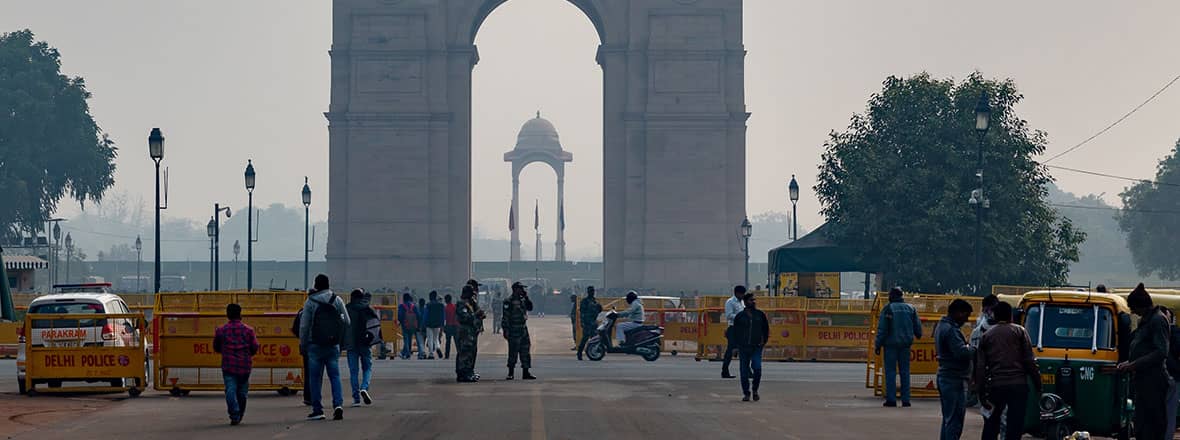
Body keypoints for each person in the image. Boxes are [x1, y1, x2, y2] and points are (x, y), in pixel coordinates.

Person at [974, 301, 1040, 440]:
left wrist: (980, 393)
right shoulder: (1020, 331)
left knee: (992, 423)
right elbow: (1029, 361)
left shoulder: (986, 335)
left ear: (995, 316)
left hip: (995, 385)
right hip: (1018, 386)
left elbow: (980, 368)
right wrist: (1038, 384)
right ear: (1011, 315)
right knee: (1015, 425)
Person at [1117, 283, 1172, 440]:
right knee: (1141, 424)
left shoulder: (1158, 320)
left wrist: (1133, 365)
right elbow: (1144, 349)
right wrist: (1128, 362)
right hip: (1143, 380)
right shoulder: (1147, 320)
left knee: (1153, 425)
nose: (1133, 312)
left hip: (1154, 381)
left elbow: (1161, 352)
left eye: (1134, 308)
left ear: (1143, 305)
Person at [299, 274, 351, 421]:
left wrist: (303, 345)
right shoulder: (337, 299)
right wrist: (337, 334)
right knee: (335, 376)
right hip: (332, 344)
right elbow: (347, 321)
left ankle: (318, 410)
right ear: (328, 284)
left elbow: (304, 326)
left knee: (315, 379)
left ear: (316, 285)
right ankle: (338, 405)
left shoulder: (310, 302)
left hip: (314, 344)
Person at [874, 287, 922, 407]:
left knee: (890, 372)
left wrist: (878, 344)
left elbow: (882, 329)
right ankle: (906, 400)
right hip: (905, 344)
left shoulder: (888, 309)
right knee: (905, 372)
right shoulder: (911, 309)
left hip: (890, 345)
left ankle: (892, 399)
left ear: (892, 296)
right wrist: (918, 334)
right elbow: (918, 328)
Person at [934, 299, 975, 440]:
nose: (966, 319)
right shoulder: (951, 330)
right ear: (958, 313)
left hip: (946, 376)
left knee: (948, 419)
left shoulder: (941, 326)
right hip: (954, 379)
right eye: (966, 315)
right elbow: (961, 353)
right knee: (955, 421)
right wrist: (973, 348)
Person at [214, 303, 259, 425]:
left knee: (230, 390)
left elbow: (216, 347)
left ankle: (234, 413)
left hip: (228, 365)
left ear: (227, 315)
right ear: (240, 314)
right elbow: (255, 347)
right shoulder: (249, 330)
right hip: (245, 365)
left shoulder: (220, 331)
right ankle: (240, 413)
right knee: (242, 392)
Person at [731, 293, 768, 402]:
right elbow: (735, 332)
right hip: (743, 347)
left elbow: (765, 329)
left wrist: (763, 341)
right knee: (744, 371)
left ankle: (755, 389)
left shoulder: (760, 315)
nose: (754, 302)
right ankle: (746, 393)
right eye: (751, 300)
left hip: (756, 347)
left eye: (754, 300)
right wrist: (734, 347)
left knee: (757, 368)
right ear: (746, 302)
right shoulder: (740, 316)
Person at [345, 289, 377, 407]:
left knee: (353, 372)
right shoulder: (367, 308)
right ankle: (364, 387)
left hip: (351, 344)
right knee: (367, 368)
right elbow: (375, 323)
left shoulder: (347, 308)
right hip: (365, 342)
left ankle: (356, 399)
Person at [502, 282, 536, 380]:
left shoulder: (523, 300)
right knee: (513, 351)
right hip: (513, 329)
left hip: (523, 329)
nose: (522, 290)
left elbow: (530, 308)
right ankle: (510, 372)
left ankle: (526, 372)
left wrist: (526, 297)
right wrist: (505, 329)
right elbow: (505, 317)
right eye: (520, 288)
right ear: (515, 289)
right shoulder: (508, 301)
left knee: (525, 350)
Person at [455, 284, 487, 382]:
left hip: (471, 332)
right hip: (465, 332)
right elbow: (464, 317)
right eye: (471, 294)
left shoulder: (471, 303)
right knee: (465, 353)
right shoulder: (462, 304)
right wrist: (475, 315)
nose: (473, 296)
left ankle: (469, 372)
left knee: (471, 353)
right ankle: (463, 374)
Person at [1161, 306, 1180, 436]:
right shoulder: (1175, 332)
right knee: (1170, 411)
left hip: (1158, 376)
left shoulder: (1152, 329)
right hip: (1173, 376)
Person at [722, 286, 747, 378]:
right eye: (742, 294)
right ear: (737, 293)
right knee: (730, 351)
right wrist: (740, 316)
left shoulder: (742, 302)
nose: (743, 295)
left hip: (742, 329)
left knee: (744, 350)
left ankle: (747, 371)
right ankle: (724, 371)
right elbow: (729, 315)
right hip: (733, 328)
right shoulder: (730, 302)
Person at [576, 286, 603, 360]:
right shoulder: (585, 301)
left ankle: (594, 353)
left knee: (594, 339)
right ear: (588, 292)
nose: (592, 292)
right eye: (591, 291)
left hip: (593, 322)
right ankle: (579, 353)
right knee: (585, 338)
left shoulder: (595, 301)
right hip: (587, 322)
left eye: (593, 291)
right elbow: (582, 313)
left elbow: (600, 309)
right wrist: (582, 322)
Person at [397, 294, 418, 360]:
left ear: (404, 299)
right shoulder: (413, 306)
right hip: (412, 325)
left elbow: (400, 315)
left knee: (406, 339)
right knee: (410, 338)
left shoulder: (401, 306)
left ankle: (407, 353)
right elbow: (418, 314)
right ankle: (406, 353)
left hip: (405, 324)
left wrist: (400, 322)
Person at [426, 291, 445, 359]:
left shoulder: (428, 305)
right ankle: (438, 347)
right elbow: (443, 316)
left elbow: (426, 315)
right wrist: (442, 324)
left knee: (430, 339)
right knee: (436, 338)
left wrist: (424, 323)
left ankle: (431, 354)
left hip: (429, 324)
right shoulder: (441, 305)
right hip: (437, 324)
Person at [443, 294, 459, 360]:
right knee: (457, 341)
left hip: (448, 325)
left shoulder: (446, 308)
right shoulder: (454, 307)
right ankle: (460, 354)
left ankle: (447, 355)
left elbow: (444, 318)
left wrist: (444, 327)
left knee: (448, 342)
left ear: (446, 300)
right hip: (455, 325)